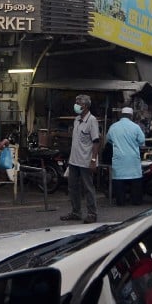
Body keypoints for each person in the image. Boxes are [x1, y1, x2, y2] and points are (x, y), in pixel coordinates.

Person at [60, 94, 101, 224]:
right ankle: (76, 212)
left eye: (79, 103)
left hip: (86, 161)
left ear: (86, 106)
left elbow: (96, 142)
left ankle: (92, 214)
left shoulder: (92, 120)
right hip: (74, 160)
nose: (76, 105)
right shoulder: (77, 119)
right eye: (76, 102)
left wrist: (93, 160)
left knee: (88, 188)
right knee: (72, 187)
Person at [106, 106, 145, 205]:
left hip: (119, 159)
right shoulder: (135, 127)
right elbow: (141, 141)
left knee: (119, 180)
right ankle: (136, 201)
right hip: (133, 159)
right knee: (136, 179)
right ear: (131, 116)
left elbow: (109, 140)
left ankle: (121, 201)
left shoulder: (113, 126)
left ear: (121, 115)